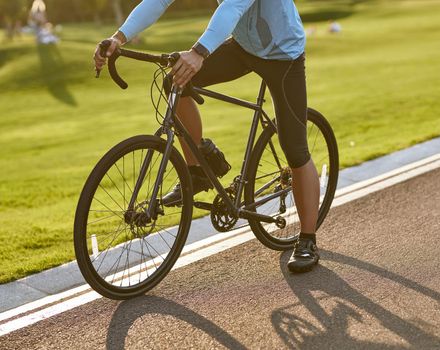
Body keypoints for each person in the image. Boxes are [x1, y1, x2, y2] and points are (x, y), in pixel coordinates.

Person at [93, 0, 321, 273]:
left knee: (294, 150)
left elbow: (233, 7)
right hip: (243, 47)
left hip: (283, 55)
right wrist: (119, 37)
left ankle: (307, 239)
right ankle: (197, 167)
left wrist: (198, 52)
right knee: (176, 80)